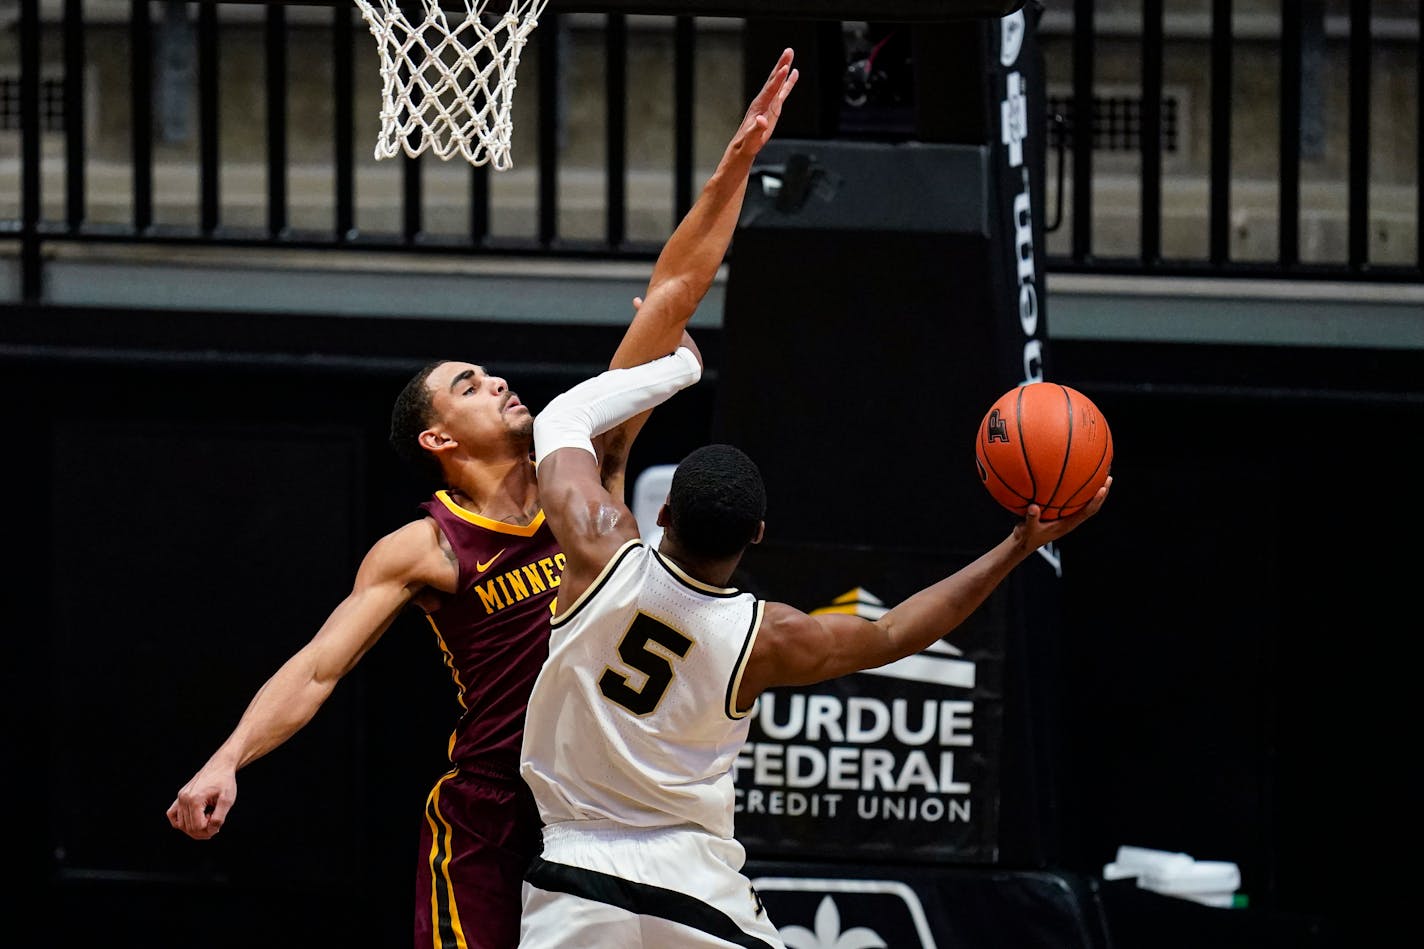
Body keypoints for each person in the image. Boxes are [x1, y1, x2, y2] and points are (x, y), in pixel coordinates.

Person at [165, 49, 800, 949]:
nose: (498, 382)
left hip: (599, 805)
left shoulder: (587, 471)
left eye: (491, 372)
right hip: (492, 809)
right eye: (470, 383)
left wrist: (737, 164)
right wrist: (229, 757)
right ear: (438, 437)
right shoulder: (425, 546)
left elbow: (674, 288)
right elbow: (317, 668)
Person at [518, 357, 1111, 948]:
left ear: (664, 514)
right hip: (693, 879)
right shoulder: (764, 637)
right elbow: (895, 635)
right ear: (757, 535)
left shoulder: (600, 550)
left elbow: (564, 418)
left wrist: (679, 366)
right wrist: (1017, 545)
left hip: (574, 869)